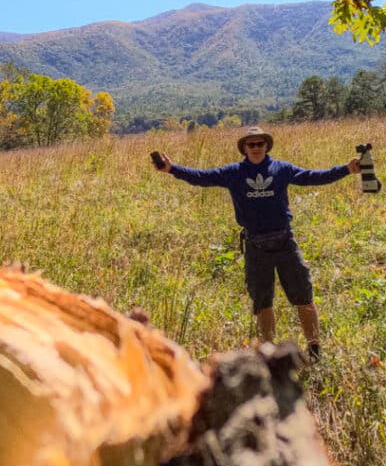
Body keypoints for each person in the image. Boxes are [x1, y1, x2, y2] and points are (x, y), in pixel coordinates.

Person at [153, 126, 361, 362]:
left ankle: (314, 350)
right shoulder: (234, 172)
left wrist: (346, 169)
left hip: (285, 242)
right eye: (251, 144)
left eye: (260, 144)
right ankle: (269, 355)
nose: (256, 148)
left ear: (266, 146)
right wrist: (172, 169)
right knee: (263, 302)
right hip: (256, 246)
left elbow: (312, 177)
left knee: (303, 296)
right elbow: (202, 177)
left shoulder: (281, 169)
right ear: (244, 148)